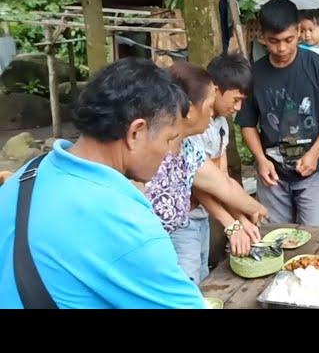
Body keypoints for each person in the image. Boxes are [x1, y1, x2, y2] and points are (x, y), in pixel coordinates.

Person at [0, 58, 206, 308]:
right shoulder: (124, 223)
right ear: (136, 132)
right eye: (169, 140)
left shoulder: (25, 178)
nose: (170, 153)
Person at [143, 61, 267, 284]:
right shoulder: (148, 149)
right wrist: (234, 222)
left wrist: (254, 209)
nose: (211, 114)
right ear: (188, 109)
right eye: (209, 106)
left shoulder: (188, 148)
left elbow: (223, 184)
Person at [237, 0, 319, 227]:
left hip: (315, 169)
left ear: (298, 31)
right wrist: (260, 159)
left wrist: (315, 154)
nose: (282, 48)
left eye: (288, 39)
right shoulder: (254, 74)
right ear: (262, 37)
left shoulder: (318, 67)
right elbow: (247, 124)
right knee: (274, 239)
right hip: (273, 174)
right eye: (273, 41)